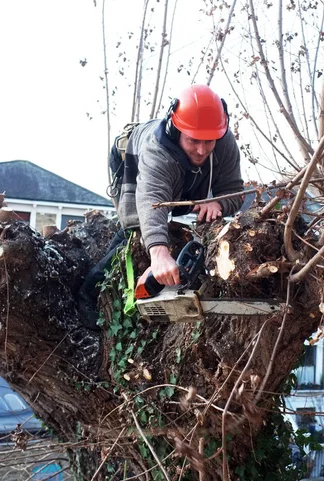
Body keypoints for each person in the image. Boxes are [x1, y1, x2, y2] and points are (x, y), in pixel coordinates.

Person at [79, 84, 244, 328]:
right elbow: (152, 200)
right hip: (132, 157)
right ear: (176, 129)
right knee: (135, 234)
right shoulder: (156, 151)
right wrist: (158, 253)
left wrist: (219, 201)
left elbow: (236, 192)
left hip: (182, 177)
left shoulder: (223, 140)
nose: (201, 150)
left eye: (209, 142)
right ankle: (88, 294)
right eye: (194, 141)